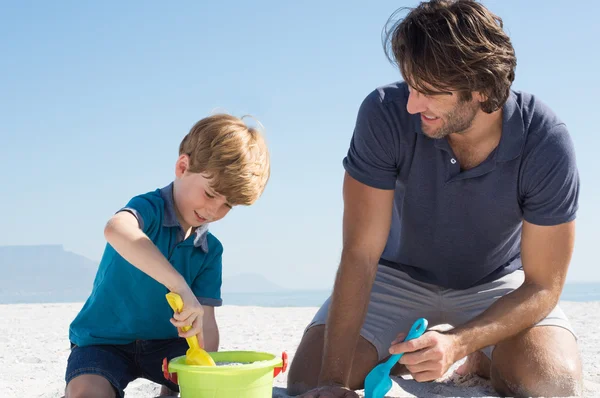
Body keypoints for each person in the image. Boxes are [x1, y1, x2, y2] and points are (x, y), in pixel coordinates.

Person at [287, 1, 582, 397]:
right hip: (392, 275)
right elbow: (360, 253)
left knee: (554, 383)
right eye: (410, 85)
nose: (411, 104)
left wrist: (461, 342)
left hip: (495, 283)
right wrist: (332, 383)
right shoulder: (383, 113)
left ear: (481, 88)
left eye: (429, 92)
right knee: (306, 381)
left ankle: (482, 356)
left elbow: (544, 286)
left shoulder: (546, 142)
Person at [64, 114, 270, 398]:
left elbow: (206, 324)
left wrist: (203, 376)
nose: (214, 211)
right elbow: (116, 229)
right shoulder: (148, 208)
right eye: (210, 194)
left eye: (228, 206)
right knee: (87, 393)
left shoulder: (210, 251)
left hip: (166, 347)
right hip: (102, 341)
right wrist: (179, 285)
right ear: (182, 167)